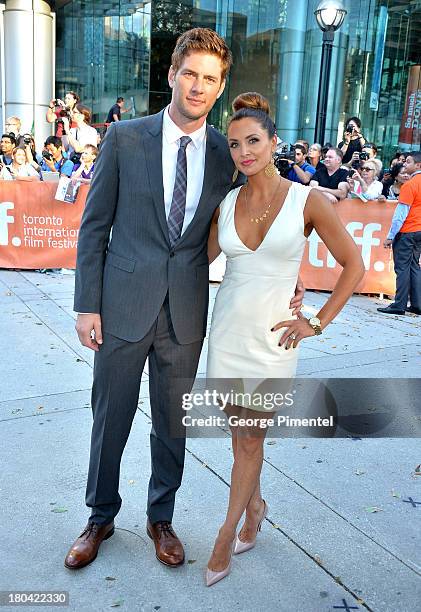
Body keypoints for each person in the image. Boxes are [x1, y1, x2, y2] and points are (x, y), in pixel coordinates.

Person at [64, 28, 305, 573]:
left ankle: (161, 518)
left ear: (221, 89)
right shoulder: (125, 137)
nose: (199, 86)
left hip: (186, 314)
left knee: (172, 422)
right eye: (190, 73)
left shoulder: (228, 151)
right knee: (111, 419)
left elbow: (265, 210)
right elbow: (94, 226)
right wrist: (87, 305)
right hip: (123, 307)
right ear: (172, 74)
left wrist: (288, 274)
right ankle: (99, 517)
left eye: (211, 79)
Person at [205, 92, 364, 587]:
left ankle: (224, 535)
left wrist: (315, 323)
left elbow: (354, 266)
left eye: (253, 140)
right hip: (227, 333)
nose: (243, 151)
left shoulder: (307, 199)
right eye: (234, 144)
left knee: (251, 438)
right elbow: (195, 263)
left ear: (274, 142)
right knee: (241, 439)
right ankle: (256, 508)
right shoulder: (227, 202)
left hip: (275, 341)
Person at [378, 151, 421, 316]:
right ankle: (417, 304)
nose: (405, 165)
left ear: (418, 165)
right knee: (414, 266)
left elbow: (400, 215)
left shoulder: (410, 185)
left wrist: (390, 236)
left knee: (402, 268)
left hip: (408, 231)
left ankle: (399, 304)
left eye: (408, 162)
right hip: (419, 231)